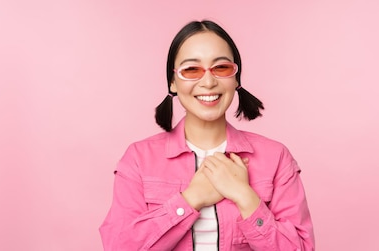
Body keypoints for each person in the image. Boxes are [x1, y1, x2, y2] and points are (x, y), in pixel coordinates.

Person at [99, 20, 315, 250]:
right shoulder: (138, 159)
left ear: (236, 78)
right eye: (192, 70)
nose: (209, 82)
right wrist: (192, 198)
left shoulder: (276, 157)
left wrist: (245, 197)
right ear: (172, 82)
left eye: (221, 68)